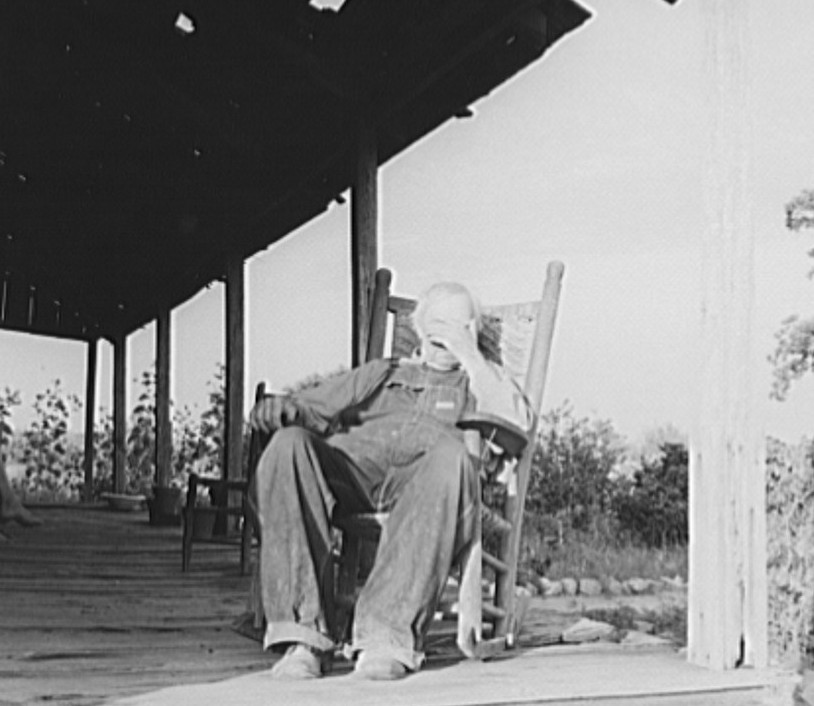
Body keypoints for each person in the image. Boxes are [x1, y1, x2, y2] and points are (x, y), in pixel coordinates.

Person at [250, 281, 530, 680]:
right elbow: (307, 408)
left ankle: (386, 637)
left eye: (459, 325)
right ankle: (303, 639)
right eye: (439, 323)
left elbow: (517, 426)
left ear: (474, 331)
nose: (446, 333)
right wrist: (280, 410)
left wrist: (471, 356)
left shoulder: (481, 381)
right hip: (354, 477)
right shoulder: (382, 373)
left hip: (433, 492)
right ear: (418, 328)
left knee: (453, 456)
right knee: (287, 444)